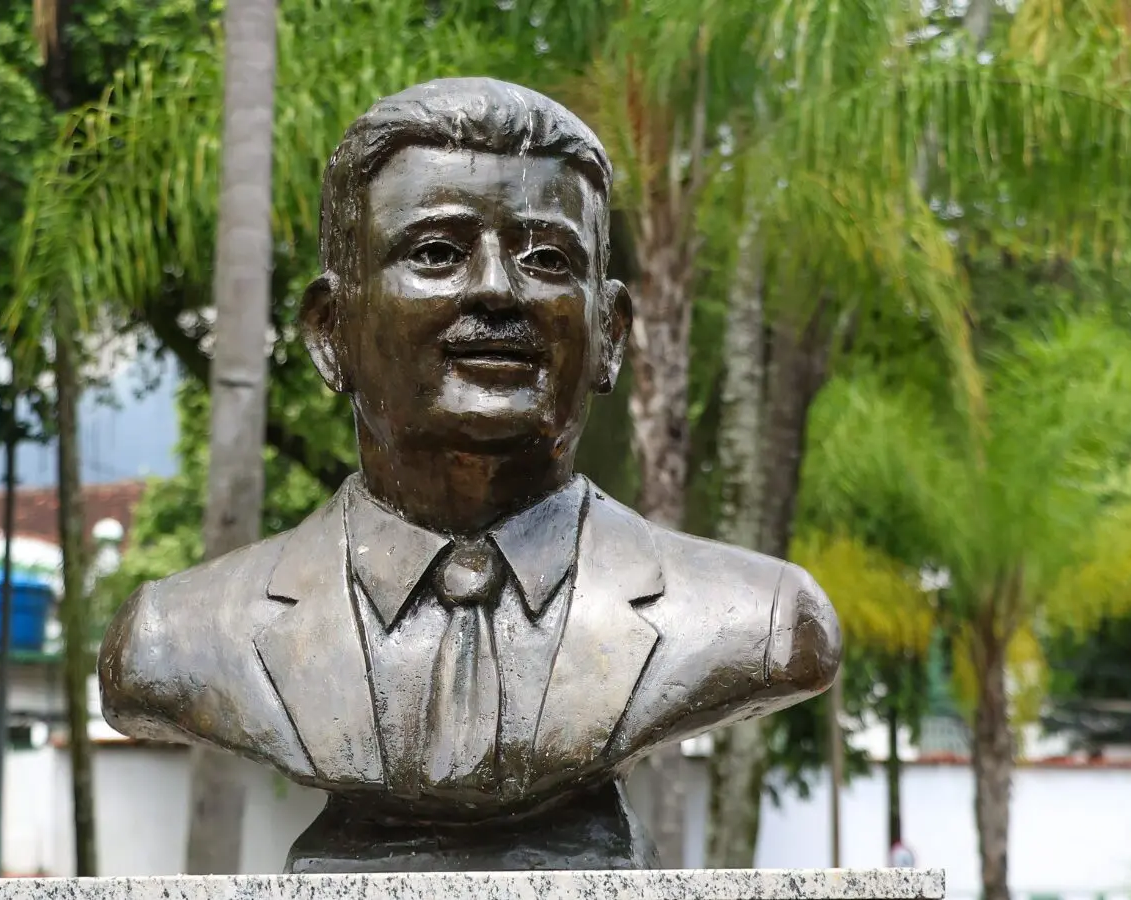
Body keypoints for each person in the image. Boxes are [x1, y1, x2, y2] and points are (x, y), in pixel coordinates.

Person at [98, 76, 841, 872]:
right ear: (330, 331)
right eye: (437, 253)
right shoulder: (176, 637)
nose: (496, 288)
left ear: (611, 335)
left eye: (548, 258)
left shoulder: (759, 620)